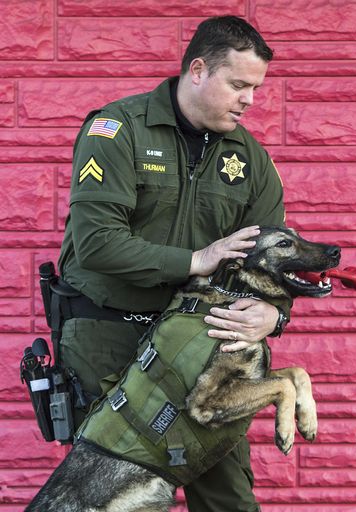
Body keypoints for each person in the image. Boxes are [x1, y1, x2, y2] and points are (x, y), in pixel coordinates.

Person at [57, 15, 291, 512]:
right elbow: (96, 242)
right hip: (109, 339)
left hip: (201, 350)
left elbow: (269, 265)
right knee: (110, 497)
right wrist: (196, 259)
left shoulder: (253, 162)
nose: (250, 99)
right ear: (199, 70)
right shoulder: (116, 130)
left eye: (255, 87)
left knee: (229, 499)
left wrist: (274, 316)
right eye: (239, 84)